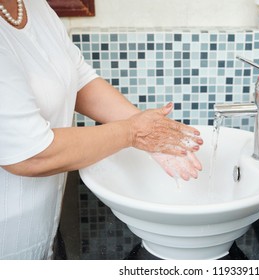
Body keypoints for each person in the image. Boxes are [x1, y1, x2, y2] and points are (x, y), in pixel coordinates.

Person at [0, 0, 203, 259]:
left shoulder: (33, 6)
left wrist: (152, 131)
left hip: (39, 232)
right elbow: (29, 154)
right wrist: (134, 132)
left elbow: (78, 78)